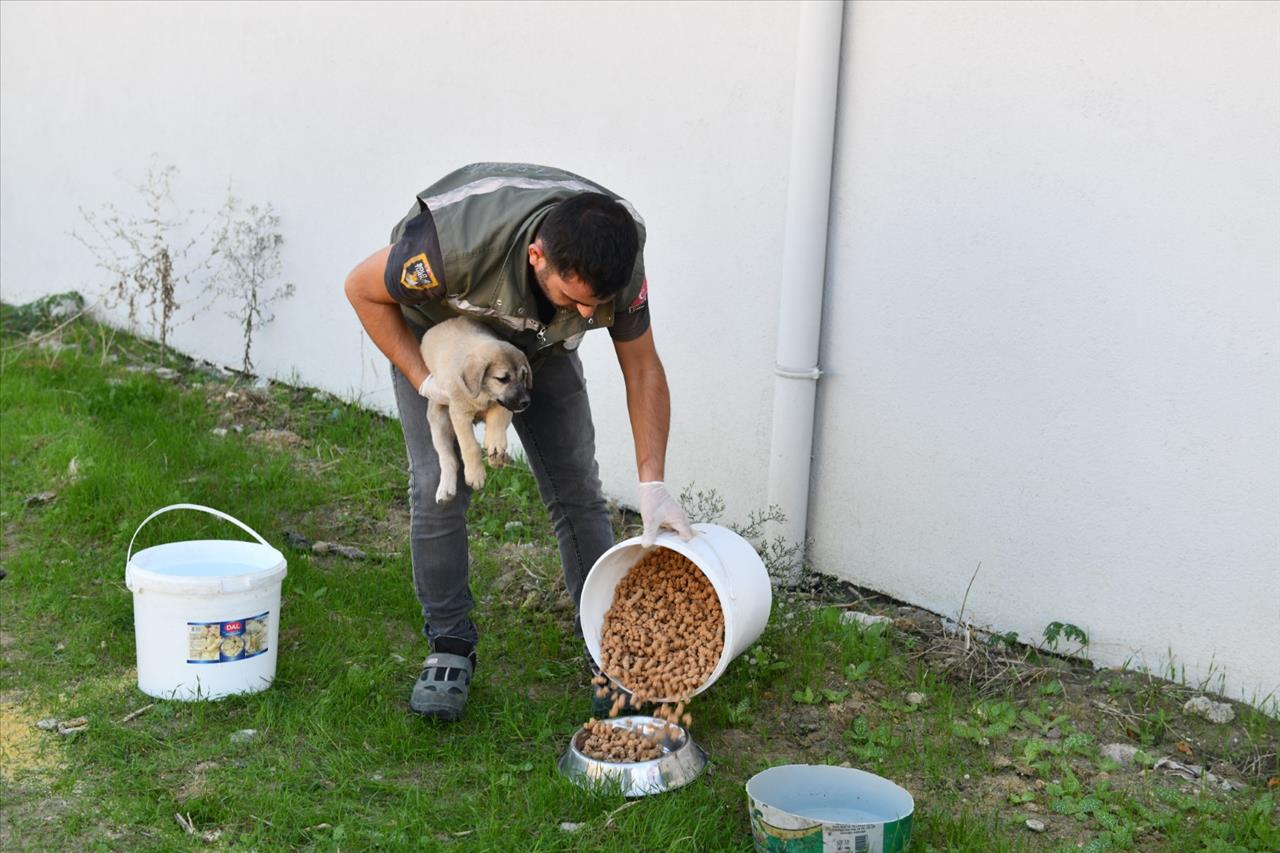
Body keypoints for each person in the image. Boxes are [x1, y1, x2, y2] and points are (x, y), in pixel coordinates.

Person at [344, 163, 694, 721]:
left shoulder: (618, 261)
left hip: (536, 344)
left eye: (594, 305)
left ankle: (614, 650)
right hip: (442, 339)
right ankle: (450, 647)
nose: (587, 314)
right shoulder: (445, 246)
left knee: (577, 486)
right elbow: (361, 291)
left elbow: (643, 367)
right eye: (574, 298)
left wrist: (653, 482)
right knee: (441, 480)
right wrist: (424, 380)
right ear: (538, 257)